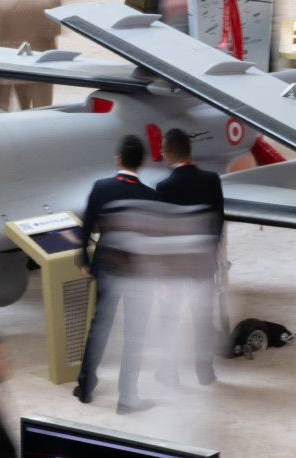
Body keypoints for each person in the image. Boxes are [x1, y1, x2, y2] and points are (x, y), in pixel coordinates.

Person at [75, 134, 158, 410]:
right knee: (135, 334)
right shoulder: (150, 196)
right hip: (137, 273)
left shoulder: (100, 188)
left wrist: (84, 259)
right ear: (142, 162)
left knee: (99, 327)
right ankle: (126, 397)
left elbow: (86, 227)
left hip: (106, 266)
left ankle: (85, 386)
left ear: (118, 159)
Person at [154, 128, 222, 387]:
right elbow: (217, 223)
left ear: (170, 153)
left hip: (174, 268)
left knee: (169, 320)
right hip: (203, 265)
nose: (160, 153)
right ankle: (205, 372)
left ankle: (169, 373)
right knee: (203, 320)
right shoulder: (212, 180)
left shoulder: (165, 187)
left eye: (162, 149)